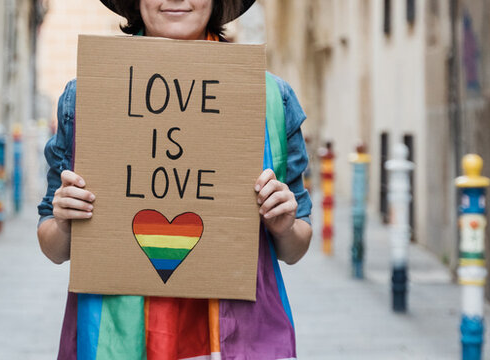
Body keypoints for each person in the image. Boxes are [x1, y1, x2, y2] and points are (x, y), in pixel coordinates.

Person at [37, 1, 312, 358]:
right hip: (117, 338)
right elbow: (52, 246)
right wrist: (63, 220)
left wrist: (283, 225)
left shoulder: (271, 98)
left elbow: (296, 247)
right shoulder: (90, 93)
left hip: (237, 338)